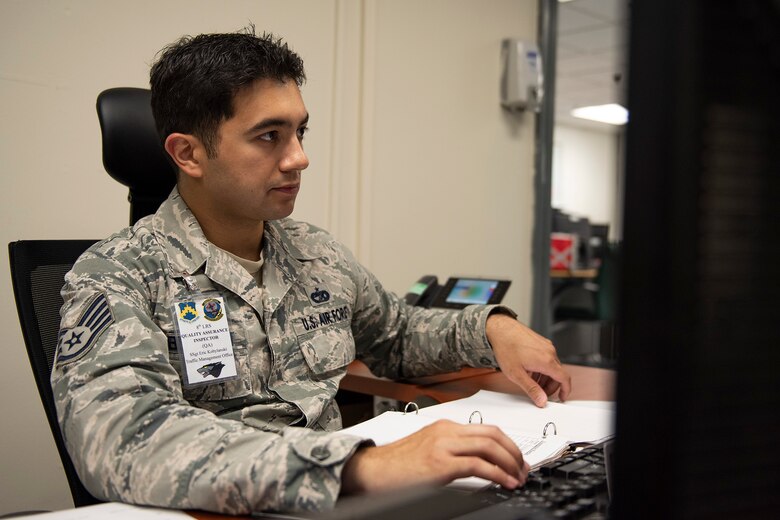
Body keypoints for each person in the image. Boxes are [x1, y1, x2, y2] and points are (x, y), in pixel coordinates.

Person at [51, 28, 571, 515]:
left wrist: (490, 329)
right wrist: (358, 465)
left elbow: (395, 335)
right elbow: (123, 438)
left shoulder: (315, 253)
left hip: (343, 503)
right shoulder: (116, 274)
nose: (298, 158)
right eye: (268, 136)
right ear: (188, 153)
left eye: (299, 131)